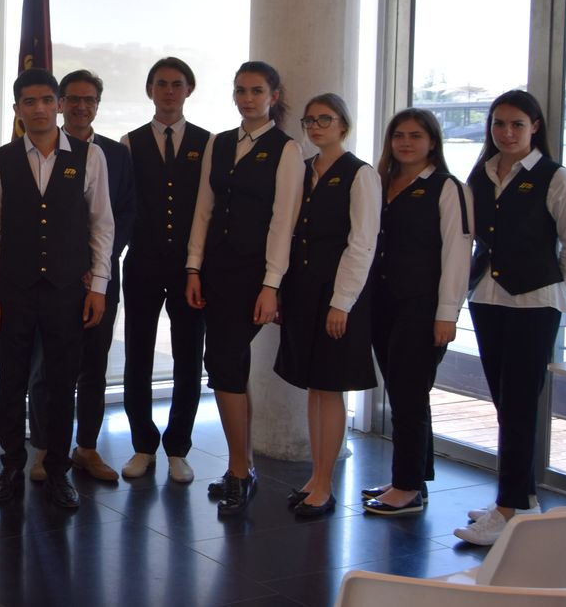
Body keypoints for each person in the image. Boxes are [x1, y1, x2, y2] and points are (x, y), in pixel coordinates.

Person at [454, 90, 566, 546]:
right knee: (504, 402)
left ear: (534, 128)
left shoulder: (555, 178)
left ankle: (508, 509)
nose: (506, 133)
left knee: (520, 404)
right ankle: (523, 498)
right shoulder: (482, 173)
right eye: (498, 124)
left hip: (535, 304)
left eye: (516, 125)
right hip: (489, 298)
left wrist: (552, 286)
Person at [0, 68, 115, 510]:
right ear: (17, 110)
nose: (38, 108)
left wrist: (98, 286)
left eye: (45, 100)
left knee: (61, 384)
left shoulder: (89, 157)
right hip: (14, 291)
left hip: (66, 292)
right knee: (11, 383)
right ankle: (11, 466)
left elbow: (102, 226)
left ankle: (58, 470)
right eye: (28, 102)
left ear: (58, 105)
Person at [187, 61, 303, 518]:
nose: (247, 99)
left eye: (256, 91)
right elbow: (204, 209)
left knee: (222, 358)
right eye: (240, 91)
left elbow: (283, 222)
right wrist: (193, 267)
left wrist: (272, 284)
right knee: (228, 360)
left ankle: (240, 468)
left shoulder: (287, 149)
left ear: (274, 95)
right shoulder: (219, 143)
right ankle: (243, 466)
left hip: (255, 274)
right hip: (215, 269)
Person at [25, 68, 136, 484]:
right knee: (44, 368)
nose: (81, 106)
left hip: (101, 279)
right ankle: (43, 448)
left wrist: (99, 266)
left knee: (94, 365)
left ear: (97, 106)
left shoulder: (115, 154)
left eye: (90, 100)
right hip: (50, 279)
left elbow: (123, 215)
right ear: (59, 103)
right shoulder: (40, 149)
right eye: (73, 99)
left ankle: (86, 447)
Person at [360, 108, 471, 517]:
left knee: (408, 392)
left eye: (415, 136)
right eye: (399, 135)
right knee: (405, 391)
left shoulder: (447, 187)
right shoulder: (382, 183)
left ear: (432, 142)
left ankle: (407, 487)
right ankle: (412, 477)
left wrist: (447, 313)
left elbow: (458, 255)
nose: (405, 142)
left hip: (422, 306)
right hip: (382, 303)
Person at [272, 94, 379, 516]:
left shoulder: (360, 174)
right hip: (303, 291)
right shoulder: (303, 171)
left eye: (325, 119)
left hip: (339, 297)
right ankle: (316, 477)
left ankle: (325, 483)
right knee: (313, 387)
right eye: (310, 120)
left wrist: (343, 303)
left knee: (330, 387)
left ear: (343, 125)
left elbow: (362, 243)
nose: (316, 127)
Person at [119, 57, 210, 485]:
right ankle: (142, 444)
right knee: (137, 353)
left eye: (177, 84)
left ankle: (178, 447)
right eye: (161, 84)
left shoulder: (208, 143)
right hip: (141, 263)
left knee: (189, 357)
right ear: (150, 90)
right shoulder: (129, 142)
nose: (169, 91)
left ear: (188, 90)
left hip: (189, 268)